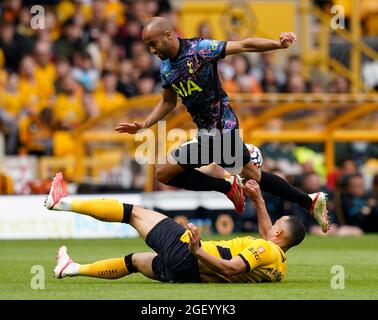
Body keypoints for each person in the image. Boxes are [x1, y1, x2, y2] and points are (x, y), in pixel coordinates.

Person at [114, 17, 329, 232]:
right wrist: (144, 125)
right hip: (207, 132)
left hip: (221, 128)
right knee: (253, 175)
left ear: (169, 35)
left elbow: (244, 45)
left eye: (153, 43)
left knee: (164, 172)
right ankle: (309, 201)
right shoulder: (166, 69)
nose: (151, 50)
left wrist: (277, 44)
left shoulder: (200, 49)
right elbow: (168, 101)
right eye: (147, 45)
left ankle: (231, 186)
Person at [46, 173, 306, 283]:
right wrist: (259, 200)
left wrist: (196, 250)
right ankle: (71, 269)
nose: (272, 225)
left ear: (279, 233)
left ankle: (62, 203)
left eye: (277, 223)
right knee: (134, 261)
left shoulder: (265, 247)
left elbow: (232, 267)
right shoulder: (278, 268)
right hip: (188, 275)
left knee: (134, 212)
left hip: (189, 253)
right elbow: (261, 243)